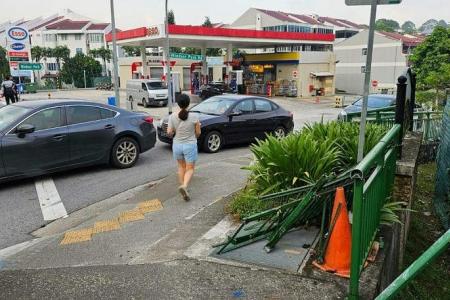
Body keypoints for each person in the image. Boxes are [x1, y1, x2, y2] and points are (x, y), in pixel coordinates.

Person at [167, 94, 201, 201]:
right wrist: (193, 135)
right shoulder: (194, 117)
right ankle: (185, 186)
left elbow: (169, 132)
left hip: (177, 145)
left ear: (178, 104)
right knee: (190, 169)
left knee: (181, 167)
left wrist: (174, 131)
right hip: (190, 145)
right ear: (188, 103)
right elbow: (198, 133)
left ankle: (183, 188)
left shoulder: (172, 116)